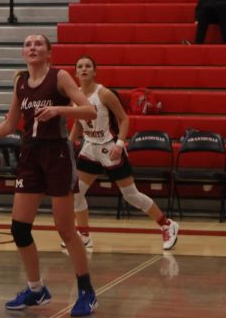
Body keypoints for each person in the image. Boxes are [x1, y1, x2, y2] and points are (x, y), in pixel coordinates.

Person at [0, 33, 98, 317]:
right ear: (23, 53)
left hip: (56, 155)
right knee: (19, 228)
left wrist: (58, 110)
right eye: (28, 44)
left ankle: (86, 290)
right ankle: (36, 288)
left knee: (66, 229)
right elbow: (8, 125)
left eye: (38, 44)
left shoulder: (60, 77)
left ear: (49, 53)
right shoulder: (20, 83)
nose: (33, 47)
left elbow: (89, 111)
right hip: (30, 155)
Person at [68, 56, 179, 251]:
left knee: (130, 195)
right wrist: (68, 145)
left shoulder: (104, 94)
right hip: (89, 147)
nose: (84, 69)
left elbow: (124, 119)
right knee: (76, 193)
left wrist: (120, 143)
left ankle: (167, 224)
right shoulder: (74, 95)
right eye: (80, 67)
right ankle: (84, 235)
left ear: (95, 71)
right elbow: (78, 123)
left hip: (110, 146)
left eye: (88, 66)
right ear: (75, 73)